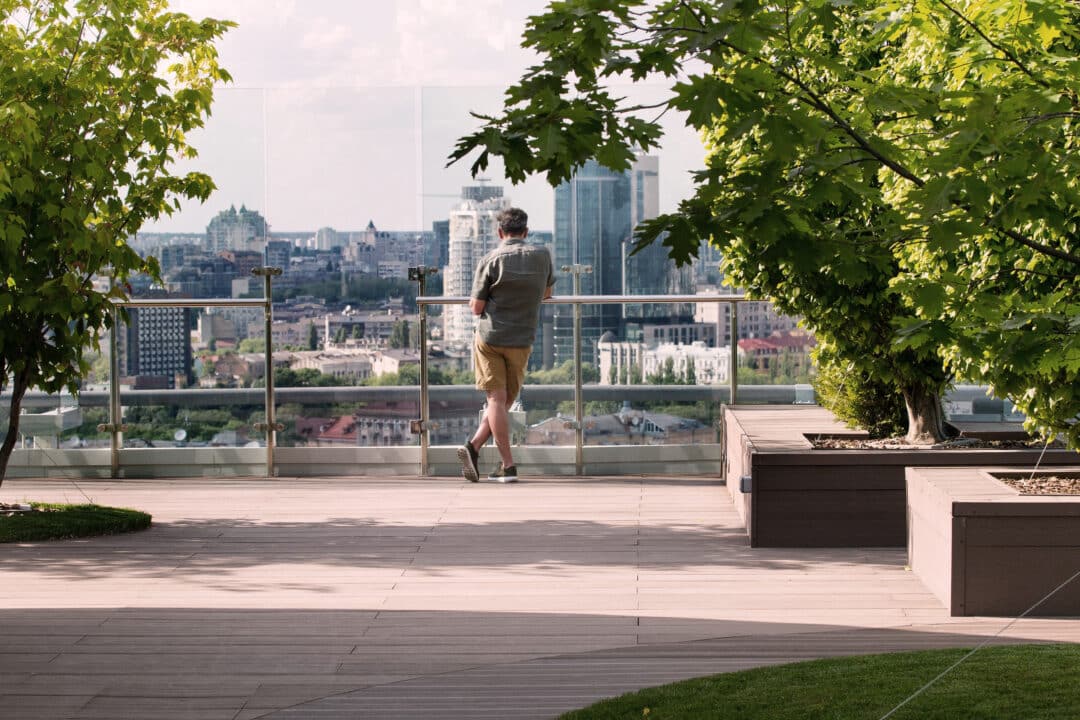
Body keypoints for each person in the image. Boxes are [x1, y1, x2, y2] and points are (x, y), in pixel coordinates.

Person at [457, 207, 554, 483]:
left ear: (501, 233)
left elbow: (476, 308)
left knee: (497, 401)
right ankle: (484, 454)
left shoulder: (491, 258)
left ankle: (491, 457)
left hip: (491, 338)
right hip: (522, 338)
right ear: (526, 231)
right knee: (503, 402)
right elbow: (547, 293)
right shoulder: (543, 255)